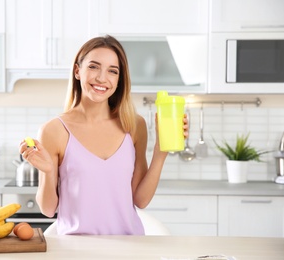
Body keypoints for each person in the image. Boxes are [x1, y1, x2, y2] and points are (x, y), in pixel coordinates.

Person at [19, 35, 189, 235]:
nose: (102, 78)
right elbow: (48, 210)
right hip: (76, 250)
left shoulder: (134, 125)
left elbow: (141, 200)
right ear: (77, 71)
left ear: (119, 79)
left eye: (112, 71)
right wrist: (48, 172)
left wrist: (161, 152)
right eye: (93, 67)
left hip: (129, 248)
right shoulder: (54, 130)